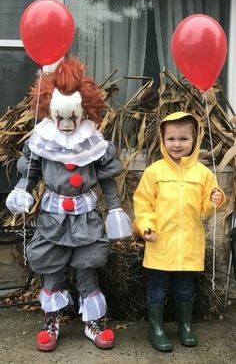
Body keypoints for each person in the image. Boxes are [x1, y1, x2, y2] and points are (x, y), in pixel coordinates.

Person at [5, 57, 132, 352]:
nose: (65, 124)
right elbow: (31, 171)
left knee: (87, 267)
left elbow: (107, 179)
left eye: (71, 117)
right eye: (59, 117)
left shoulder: (92, 139)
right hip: (52, 216)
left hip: (85, 216)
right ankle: (52, 319)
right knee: (51, 267)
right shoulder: (43, 138)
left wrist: (114, 208)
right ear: (51, 111)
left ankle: (94, 321)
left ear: (82, 111)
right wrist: (22, 191)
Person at [133, 111, 225, 352]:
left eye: (183, 139)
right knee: (158, 287)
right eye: (171, 138)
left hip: (188, 244)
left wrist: (217, 199)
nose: (177, 144)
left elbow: (206, 209)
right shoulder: (154, 172)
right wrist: (146, 227)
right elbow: (143, 204)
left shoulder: (203, 173)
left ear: (194, 140)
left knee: (185, 288)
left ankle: (185, 327)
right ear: (163, 140)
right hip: (160, 243)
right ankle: (157, 329)